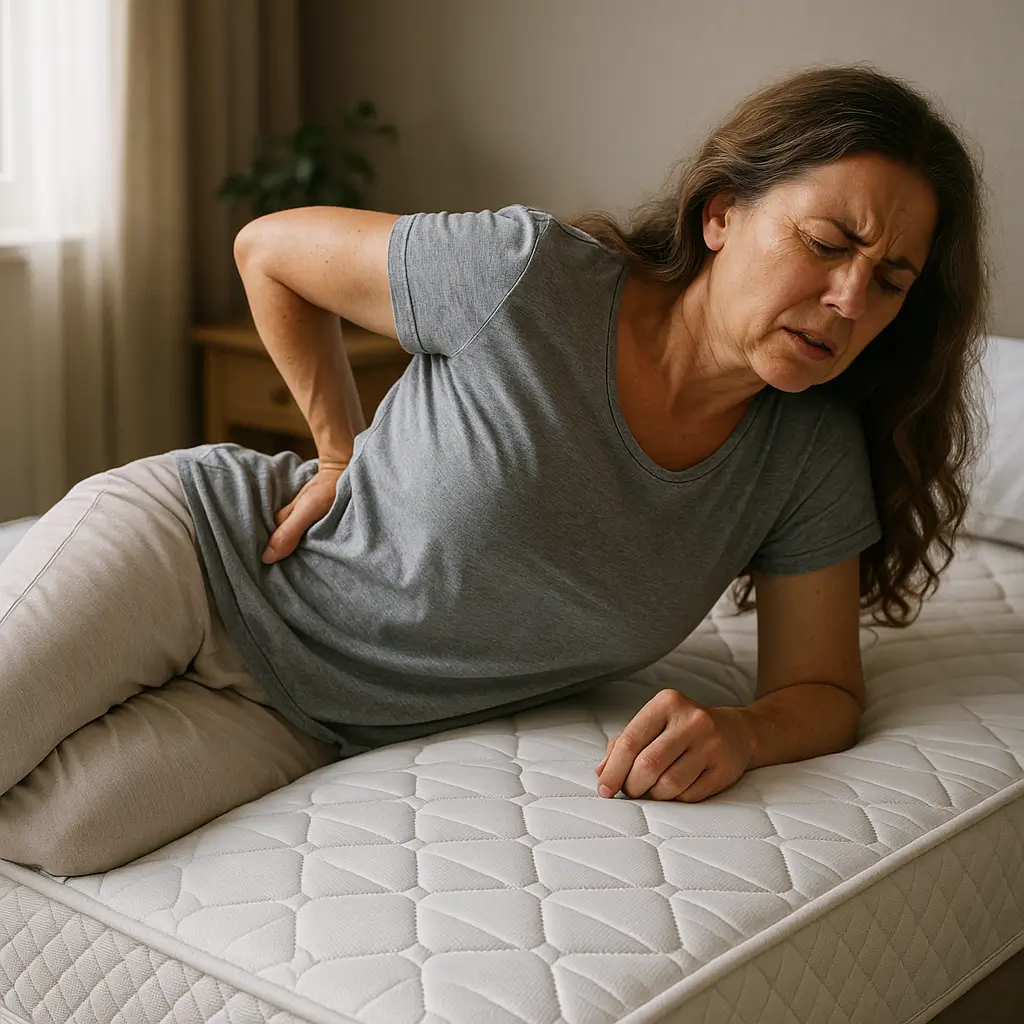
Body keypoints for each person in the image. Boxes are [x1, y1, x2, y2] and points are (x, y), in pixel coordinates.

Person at [0, 65, 987, 876]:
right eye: (828, 243)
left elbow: (819, 687)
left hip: (306, 716)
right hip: (200, 552)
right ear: (723, 215)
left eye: (890, 280)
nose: (849, 297)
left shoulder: (805, 455)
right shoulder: (530, 276)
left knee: (58, 835)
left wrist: (741, 734)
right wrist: (338, 446)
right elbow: (269, 250)